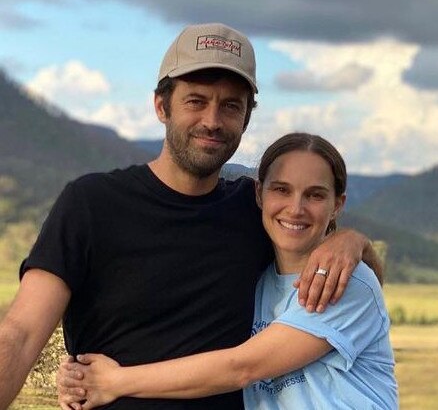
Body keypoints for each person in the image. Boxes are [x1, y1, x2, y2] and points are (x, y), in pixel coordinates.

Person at [0, 23, 379, 410]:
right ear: (162, 106)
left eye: (231, 106)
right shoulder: (91, 204)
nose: (212, 121)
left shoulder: (254, 212)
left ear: (246, 120)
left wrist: (349, 240)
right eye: (196, 101)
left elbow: (315, 239)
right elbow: (21, 333)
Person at [58, 132, 398, 409]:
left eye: (315, 195)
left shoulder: (344, 281)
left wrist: (113, 382)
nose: (295, 208)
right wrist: (79, 374)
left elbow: (241, 367)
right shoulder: (260, 279)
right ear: (259, 194)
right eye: (281, 189)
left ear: (338, 204)